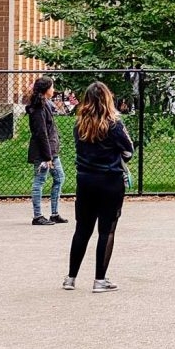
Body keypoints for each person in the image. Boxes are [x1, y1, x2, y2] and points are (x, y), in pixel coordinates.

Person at [63, 81, 134, 293]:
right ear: (107, 99)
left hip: (85, 180)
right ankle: (99, 280)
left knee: (82, 229)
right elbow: (129, 150)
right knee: (107, 230)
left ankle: (71, 277)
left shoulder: (79, 124)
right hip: (110, 181)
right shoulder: (114, 124)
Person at [26, 77, 67, 226]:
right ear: (46, 89)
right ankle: (37, 216)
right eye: (52, 87)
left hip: (51, 151)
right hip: (43, 152)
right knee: (39, 181)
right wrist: (47, 156)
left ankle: (54, 213)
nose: (53, 90)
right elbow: (41, 133)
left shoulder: (45, 105)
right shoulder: (38, 108)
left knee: (59, 178)